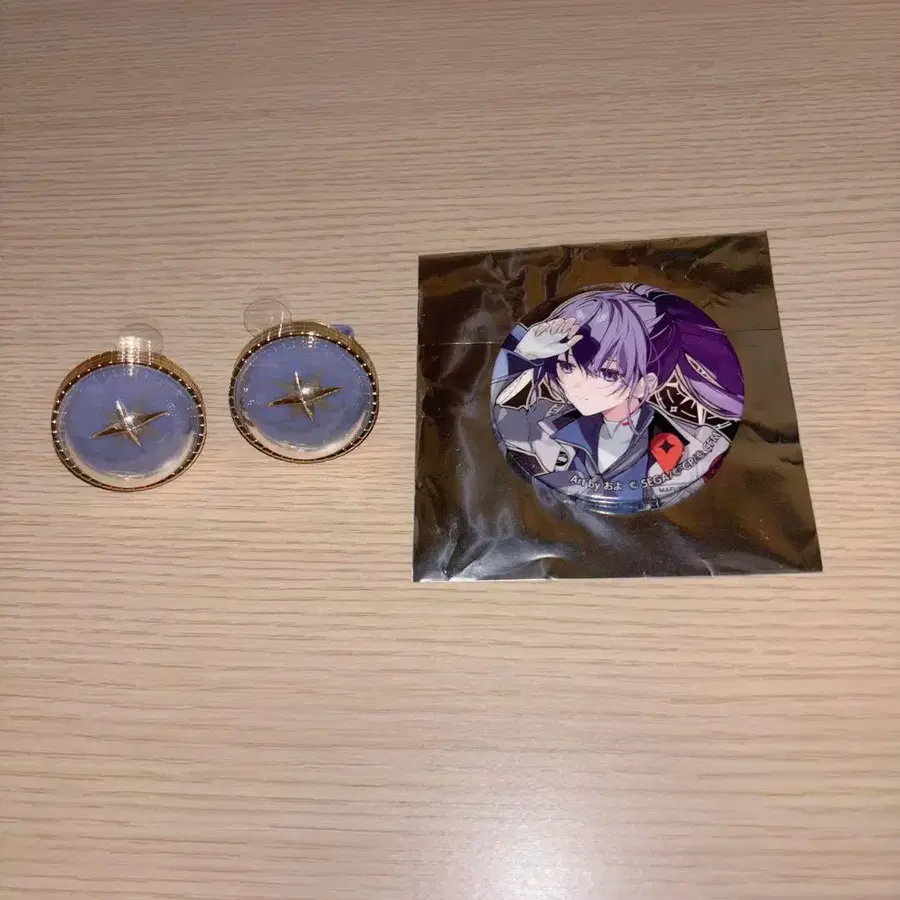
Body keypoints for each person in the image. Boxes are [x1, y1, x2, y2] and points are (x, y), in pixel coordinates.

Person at [491, 284, 744, 512]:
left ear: (646, 385)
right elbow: (502, 414)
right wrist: (522, 355)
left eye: (607, 373)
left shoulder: (694, 445)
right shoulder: (543, 420)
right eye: (566, 367)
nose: (576, 385)